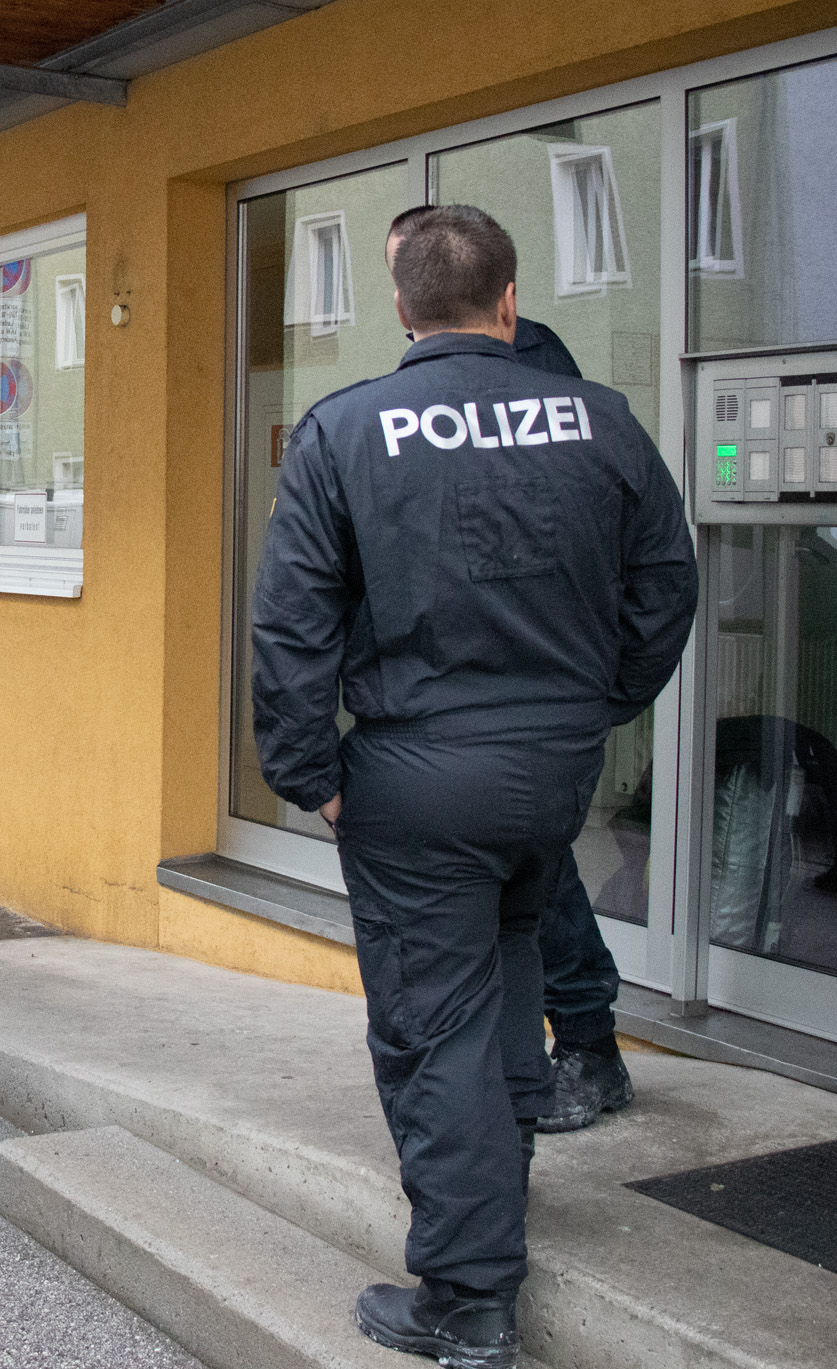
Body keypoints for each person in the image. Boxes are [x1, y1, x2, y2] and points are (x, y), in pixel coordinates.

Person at [251, 206, 696, 1365]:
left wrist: (309, 775)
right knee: (504, 985)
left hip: (413, 778)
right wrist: (592, 709)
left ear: (400, 308)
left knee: (430, 1029)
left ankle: (465, 1298)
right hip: (549, 776)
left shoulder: (345, 429)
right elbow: (666, 588)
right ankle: (497, 1205)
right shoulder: (599, 421)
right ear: (508, 301)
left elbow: (289, 626)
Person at [387, 206, 632, 1133]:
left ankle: (586, 1047)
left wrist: (608, 689)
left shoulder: (538, 375)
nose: (408, 305)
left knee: (542, 882)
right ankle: (513, 1073)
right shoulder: (419, 387)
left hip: (527, 678)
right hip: (472, 685)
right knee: (516, 888)